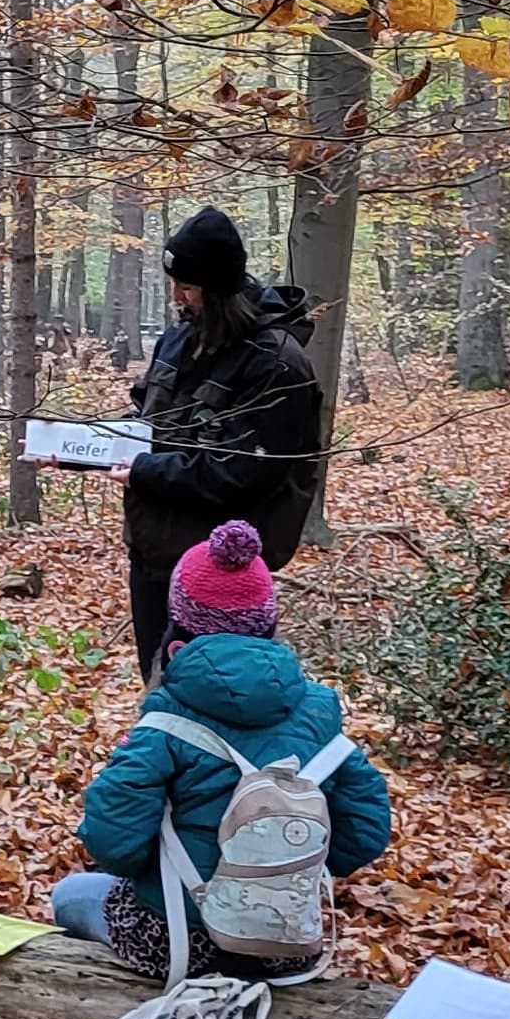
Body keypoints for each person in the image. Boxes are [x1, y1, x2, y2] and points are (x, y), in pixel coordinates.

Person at [53, 520, 391, 979]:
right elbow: (363, 836)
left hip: (172, 938)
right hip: (284, 944)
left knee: (70, 895)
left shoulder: (166, 720)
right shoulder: (319, 715)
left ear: (176, 637)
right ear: (269, 622)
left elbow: (113, 842)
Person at [120, 205, 324, 670]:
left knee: (216, 692)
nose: (177, 297)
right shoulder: (179, 338)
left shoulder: (277, 365)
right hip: (155, 551)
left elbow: (243, 473)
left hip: (222, 566)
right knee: (160, 683)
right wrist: (89, 446)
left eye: (187, 287)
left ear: (219, 291)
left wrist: (143, 470)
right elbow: (147, 415)